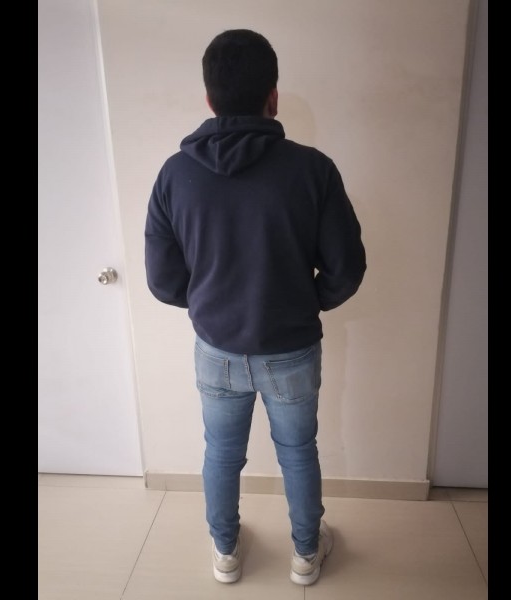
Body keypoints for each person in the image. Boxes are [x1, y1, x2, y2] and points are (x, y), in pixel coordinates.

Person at [144, 28, 366, 586]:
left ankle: (226, 552)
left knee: (221, 453)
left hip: (216, 349)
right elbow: (347, 269)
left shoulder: (174, 175)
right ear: (273, 96)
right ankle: (306, 555)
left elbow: (163, 281)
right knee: (298, 451)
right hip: (291, 347)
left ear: (209, 98)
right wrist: (303, 302)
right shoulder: (313, 170)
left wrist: (210, 303)